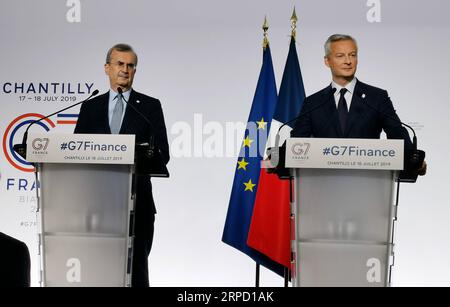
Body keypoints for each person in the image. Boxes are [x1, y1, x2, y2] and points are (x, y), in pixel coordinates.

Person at [74, 43, 170, 287]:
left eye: (130, 65)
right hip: (97, 207)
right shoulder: (90, 106)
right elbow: (76, 152)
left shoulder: (149, 107)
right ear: (107, 68)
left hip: (138, 206)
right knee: (97, 273)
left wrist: (134, 154)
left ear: (135, 71)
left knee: (136, 274)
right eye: (119, 64)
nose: (125, 70)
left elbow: (163, 153)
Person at [291, 34, 426, 175]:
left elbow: (397, 133)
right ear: (327, 61)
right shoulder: (313, 102)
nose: (348, 61)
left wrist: (413, 159)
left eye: (352, 55)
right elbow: (296, 142)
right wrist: (276, 158)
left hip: (368, 183)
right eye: (340, 56)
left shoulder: (377, 98)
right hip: (323, 184)